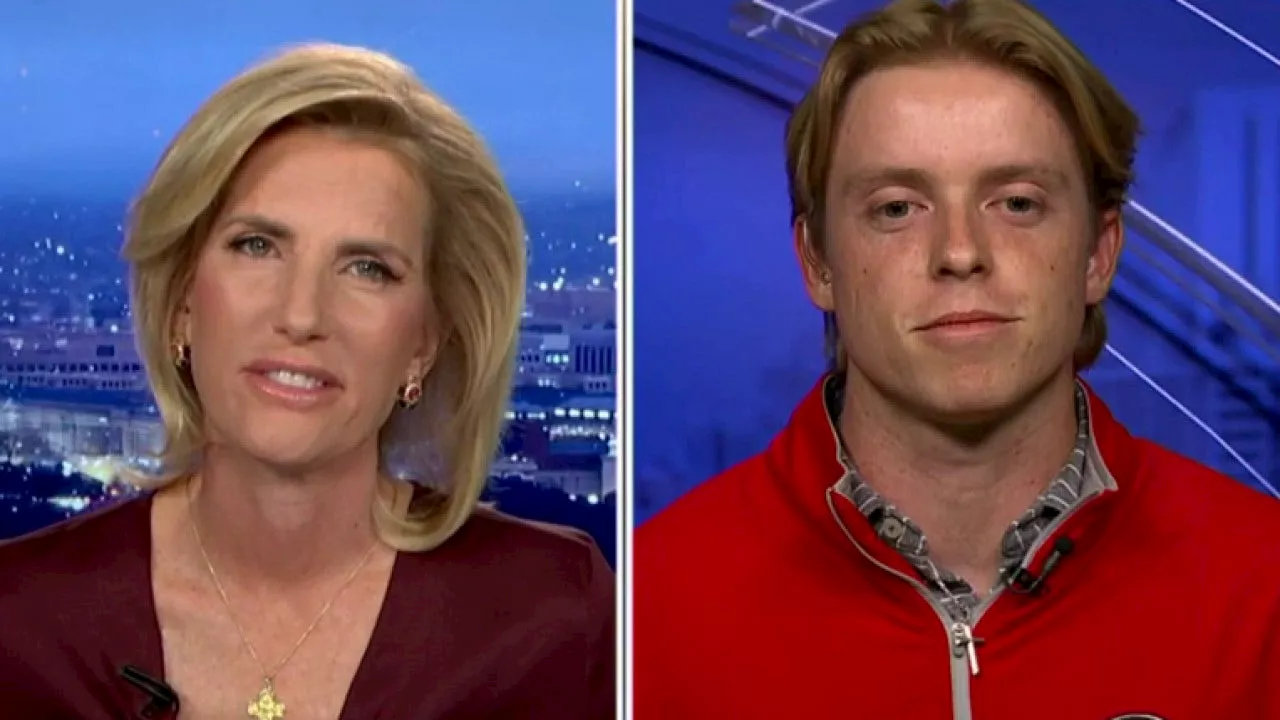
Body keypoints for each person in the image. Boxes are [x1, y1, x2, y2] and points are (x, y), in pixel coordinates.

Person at [636, 1, 1280, 718]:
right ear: (817, 261)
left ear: (1099, 254)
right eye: (896, 209)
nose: (960, 253)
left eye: (1016, 202)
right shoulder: (646, 610)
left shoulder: (1264, 590)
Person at [0, 44, 614, 719]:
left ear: (422, 343)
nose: (301, 315)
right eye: (257, 246)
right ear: (182, 300)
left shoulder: (550, 618)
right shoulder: (24, 620)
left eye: (367, 268)